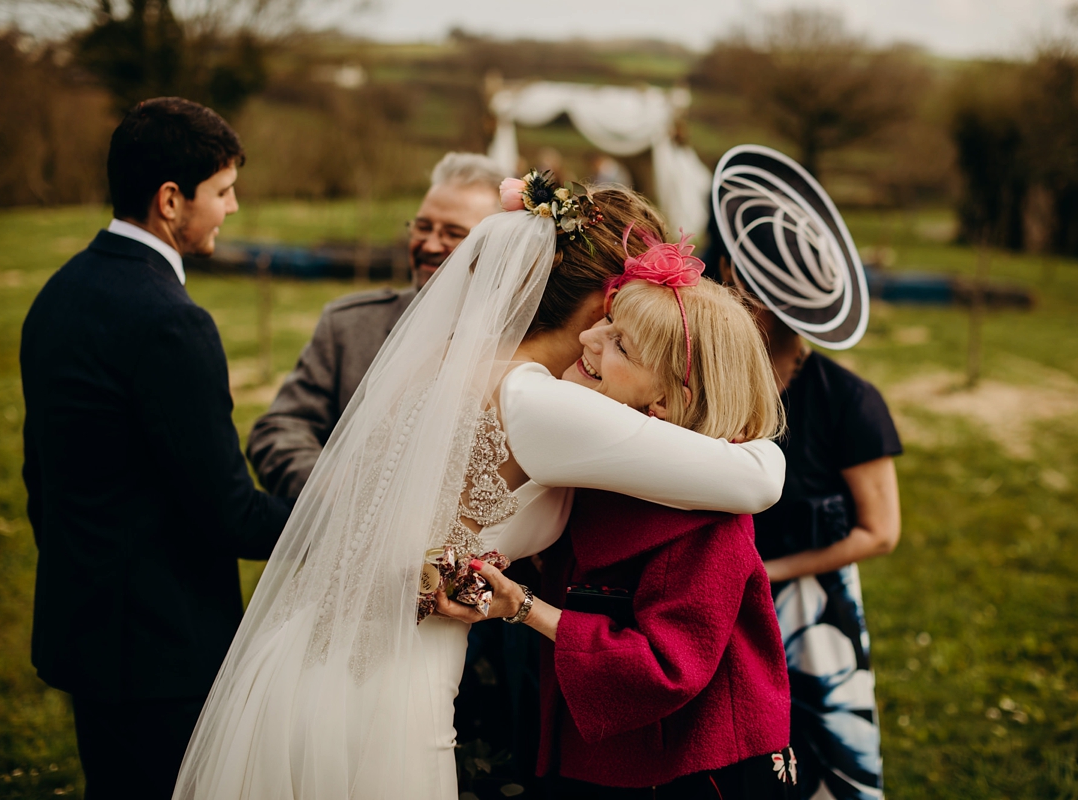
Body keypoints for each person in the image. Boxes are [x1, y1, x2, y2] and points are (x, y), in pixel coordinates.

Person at [173, 175, 788, 799]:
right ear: (609, 304)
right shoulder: (535, 403)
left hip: (310, 658)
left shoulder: (445, 364)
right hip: (390, 685)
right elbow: (758, 480)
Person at [19, 97, 293, 800]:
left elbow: (39, 477)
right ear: (171, 200)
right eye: (223, 190)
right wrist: (333, 510)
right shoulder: (172, 323)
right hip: (161, 654)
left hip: (83, 631)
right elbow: (230, 512)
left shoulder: (60, 292)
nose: (233, 207)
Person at [439, 269, 799, 799]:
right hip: (609, 755)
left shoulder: (709, 523)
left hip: (693, 767)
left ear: (669, 401)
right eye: (607, 319)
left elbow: (668, 664)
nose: (589, 337)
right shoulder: (602, 470)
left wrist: (523, 607)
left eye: (620, 344)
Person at [710, 144, 903, 800]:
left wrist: (770, 574)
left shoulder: (851, 403)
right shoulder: (711, 389)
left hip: (810, 615)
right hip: (715, 604)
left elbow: (881, 533)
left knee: (820, 765)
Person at [247, 152, 507, 500]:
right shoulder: (349, 325)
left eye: (453, 234)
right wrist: (337, 496)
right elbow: (278, 429)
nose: (429, 244)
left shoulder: (524, 342)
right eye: (423, 226)